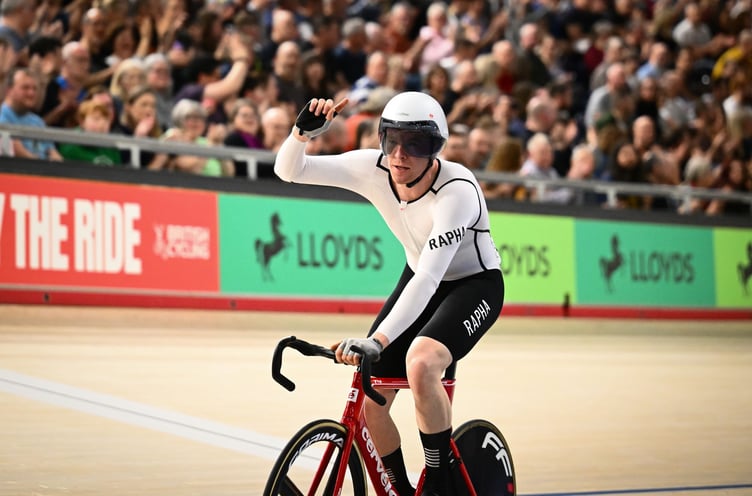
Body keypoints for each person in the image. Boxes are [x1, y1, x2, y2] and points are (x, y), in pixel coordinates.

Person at [274, 92, 504, 496]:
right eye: (391, 140)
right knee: (370, 402)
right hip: (418, 278)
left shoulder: (458, 192)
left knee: (420, 363)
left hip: (472, 285)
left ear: (436, 149)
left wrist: (378, 339)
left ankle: (438, 479)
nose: (400, 155)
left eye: (416, 144)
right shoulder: (371, 167)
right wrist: (301, 134)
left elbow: (432, 279)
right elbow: (290, 171)